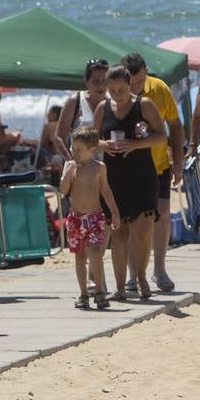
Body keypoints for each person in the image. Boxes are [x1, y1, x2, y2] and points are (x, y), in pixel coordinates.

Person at [92, 65, 166, 300]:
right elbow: (92, 139)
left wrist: (134, 145)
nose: (117, 94)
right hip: (113, 178)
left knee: (142, 233)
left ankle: (141, 275)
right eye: (112, 90)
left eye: (121, 89)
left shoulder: (143, 105)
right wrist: (103, 145)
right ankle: (121, 288)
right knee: (119, 235)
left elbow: (161, 135)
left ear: (130, 85)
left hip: (142, 176)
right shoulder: (103, 108)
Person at [122, 52, 185, 292]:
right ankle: (131, 275)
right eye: (132, 81)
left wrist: (177, 163)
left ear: (146, 72)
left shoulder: (159, 89)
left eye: (139, 80)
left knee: (163, 213)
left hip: (158, 164)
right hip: (127, 168)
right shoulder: (117, 92)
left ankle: (160, 269)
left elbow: (176, 126)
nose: (135, 86)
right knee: (131, 221)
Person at [61, 126, 121, 310]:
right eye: (73, 148)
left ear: (92, 149)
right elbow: (63, 191)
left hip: (94, 217)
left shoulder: (99, 168)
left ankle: (100, 290)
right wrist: (67, 174)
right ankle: (83, 293)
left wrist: (115, 212)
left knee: (95, 253)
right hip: (76, 217)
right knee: (79, 257)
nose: (74, 152)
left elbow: (106, 190)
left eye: (78, 149)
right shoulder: (72, 167)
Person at [54, 59, 110, 160]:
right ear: (86, 82)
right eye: (96, 81)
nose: (101, 85)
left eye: (105, 81)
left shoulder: (114, 102)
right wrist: (70, 161)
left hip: (106, 169)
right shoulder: (75, 101)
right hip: (79, 168)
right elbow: (59, 138)